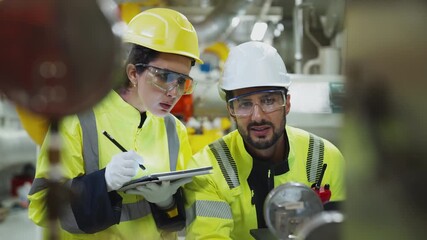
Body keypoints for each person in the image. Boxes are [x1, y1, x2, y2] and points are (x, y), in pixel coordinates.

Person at [28, 8, 202, 240]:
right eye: (164, 77)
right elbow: (42, 209)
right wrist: (102, 183)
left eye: (182, 81)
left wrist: (167, 202)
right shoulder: (77, 119)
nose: (174, 92)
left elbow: (184, 217)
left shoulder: (174, 130)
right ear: (133, 72)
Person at [183, 41, 345, 239]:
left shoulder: (324, 160)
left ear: (287, 104)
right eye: (244, 104)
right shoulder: (207, 169)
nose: (257, 116)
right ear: (230, 110)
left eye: (268, 101)